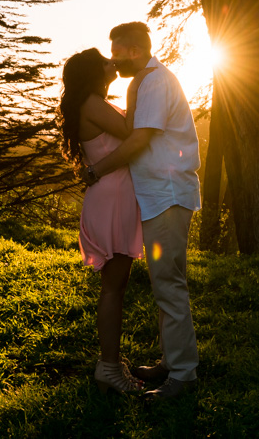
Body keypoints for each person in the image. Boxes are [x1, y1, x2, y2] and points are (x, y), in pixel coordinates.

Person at [84, 22, 201, 401]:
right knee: (163, 283)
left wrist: (98, 170)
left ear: (133, 49)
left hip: (166, 196)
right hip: (156, 196)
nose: (113, 61)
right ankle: (171, 361)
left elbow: (138, 140)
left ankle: (182, 376)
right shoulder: (143, 82)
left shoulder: (153, 82)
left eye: (116, 52)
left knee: (169, 284)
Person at [58, 48, 146, 395]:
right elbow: (130, 129)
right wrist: (136, 88)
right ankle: (108, 367)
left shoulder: (95, 101)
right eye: (106, 62)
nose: (114, 63)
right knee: (113, 288)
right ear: (94, 72)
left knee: (117, 286)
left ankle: (111, 362)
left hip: (115, 196)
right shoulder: (93, 103)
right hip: (112, 199)